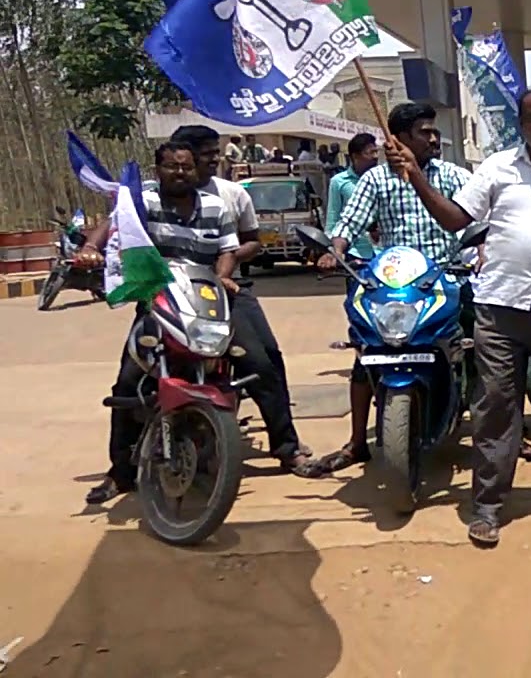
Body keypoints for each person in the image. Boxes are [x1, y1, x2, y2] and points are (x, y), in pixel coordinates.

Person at [398, 86, 531, 546]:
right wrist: (417, 176)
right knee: (495, 407)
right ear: (520, 122)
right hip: (500, 307)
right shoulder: (496, 168)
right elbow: (457, 219)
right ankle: (489, 507)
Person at [75, 142, 311, 503]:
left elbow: (228, 250)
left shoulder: (216, 206)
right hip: (160, 300)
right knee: (128, 382)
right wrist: (89, 249)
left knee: (260, 365)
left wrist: (223, 277)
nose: (180, 173)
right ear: (159, 169)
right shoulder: (144, 203)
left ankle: (287, 449)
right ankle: (120, 473)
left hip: (209, 297)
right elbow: (110, 227)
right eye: (172, 167)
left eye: (186, 167)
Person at [306, 103, 473, 477]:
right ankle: (356, 442)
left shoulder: (451, 176)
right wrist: (334, 252)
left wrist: (477, 253)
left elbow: (470, 223)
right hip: (394, 283)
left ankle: (492, 431)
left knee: (479, 342)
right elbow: (349, 224)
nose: (433, 138)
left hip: (446, 280)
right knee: (366, 350)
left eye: (433, 131)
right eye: (423, 132)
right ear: (398, 140)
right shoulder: (375, 180)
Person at [169, 125, 296, 411]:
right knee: (135, 367)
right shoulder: (155, 196)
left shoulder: (233, 194)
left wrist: (227, 261)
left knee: (264, 357)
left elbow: (253, 242)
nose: (215, 159)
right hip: (172, 293)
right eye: (207, 154)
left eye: (217, 153)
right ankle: (125, 453)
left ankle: (287, 446)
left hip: (228, 289)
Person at [324, 133, 381, 261]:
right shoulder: (339, 181)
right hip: (355, 253)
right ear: (355, 156)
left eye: (376, 152)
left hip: (384, 252)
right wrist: (332, 250)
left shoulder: (383, 179)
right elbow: (333, 217)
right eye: (370, 153)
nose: (375, 157)